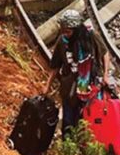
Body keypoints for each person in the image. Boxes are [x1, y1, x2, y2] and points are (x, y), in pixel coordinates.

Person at [47, 9, 111, 137]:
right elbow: (55, 66)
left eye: (68, 31)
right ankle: (68, 148)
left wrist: (105, 75)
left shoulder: (91, 36)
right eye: (63, 31)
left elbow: (105, 54)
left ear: (76, 30)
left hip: (90, 87)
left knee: (87, 121)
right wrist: (47, 86)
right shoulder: (62, 42)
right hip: (69, 88)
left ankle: (82, 147)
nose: (65, 34)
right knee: (68, 122)